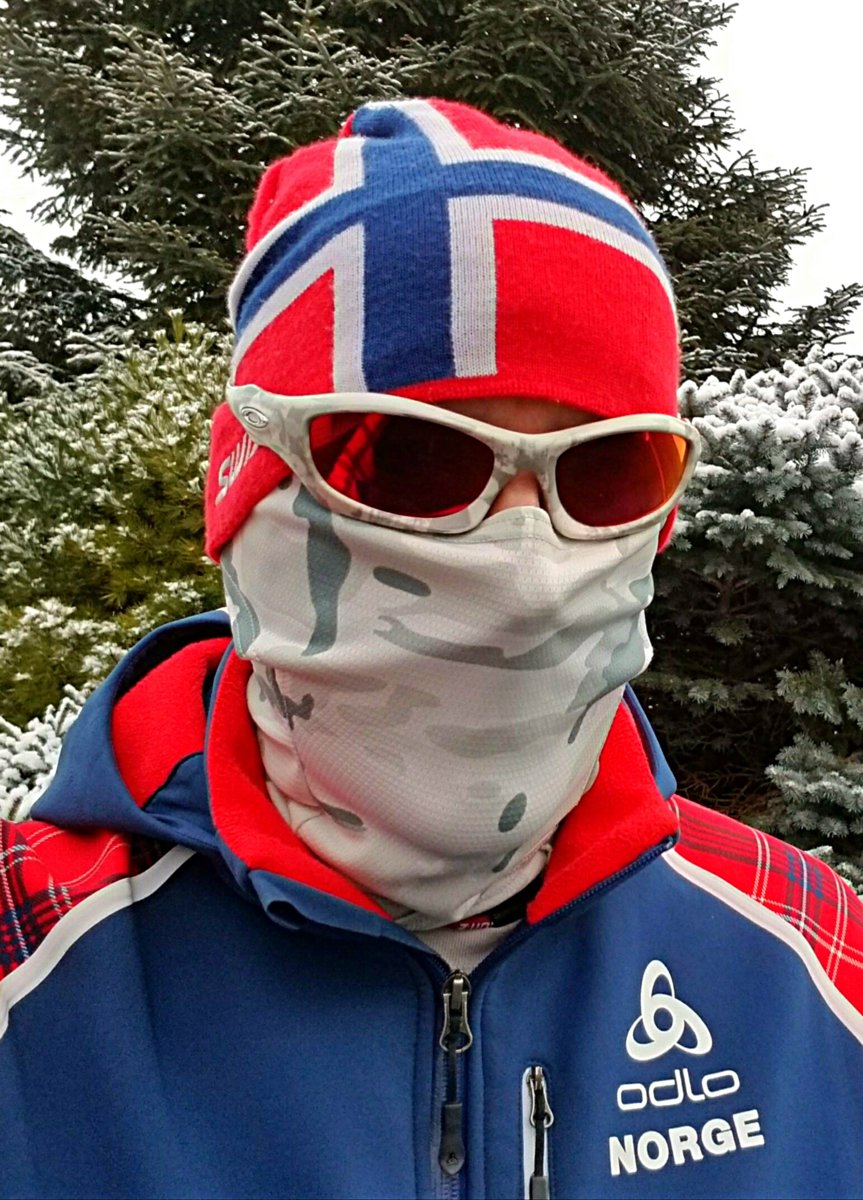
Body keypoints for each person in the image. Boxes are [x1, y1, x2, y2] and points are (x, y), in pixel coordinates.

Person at [1, 97, 862, 1200]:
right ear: (245, 496)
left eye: (605, 471)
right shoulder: (31, 968)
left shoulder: (806, 957)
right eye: (411, 459)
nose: (524, 567)